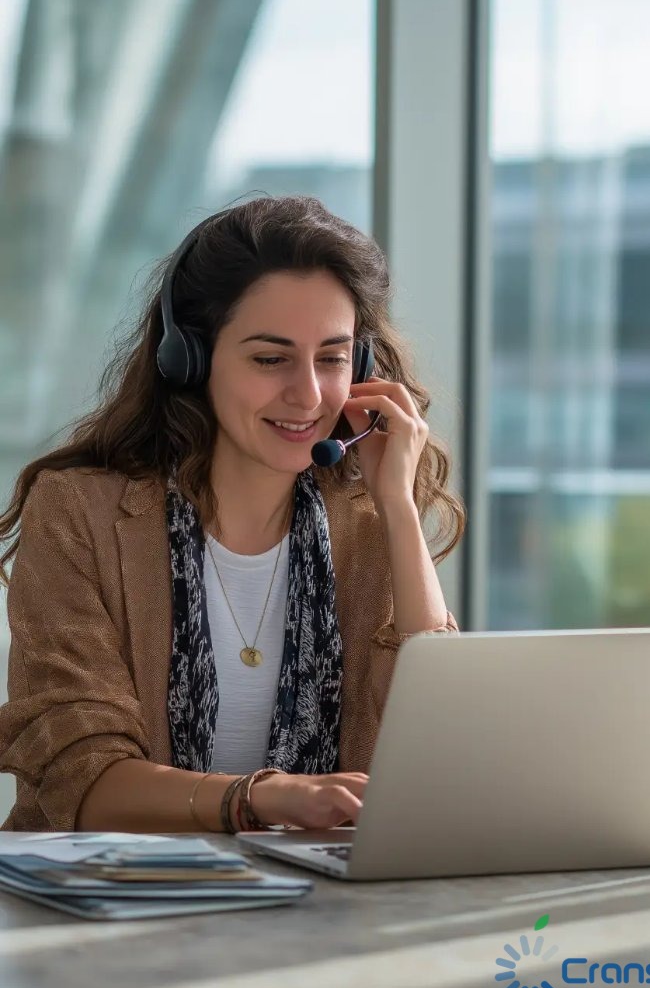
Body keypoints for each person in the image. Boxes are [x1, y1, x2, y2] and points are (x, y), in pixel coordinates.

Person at [0, 195, 464, 834]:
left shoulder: (366, 525)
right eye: (271, 359)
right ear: (188, 360)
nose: (308, 394)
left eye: (332, 357)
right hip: (113, 889)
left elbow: (440, 748)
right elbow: (80, 775)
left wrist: (399, 509)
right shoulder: (79, 512)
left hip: (316, 892)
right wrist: (260, 799)